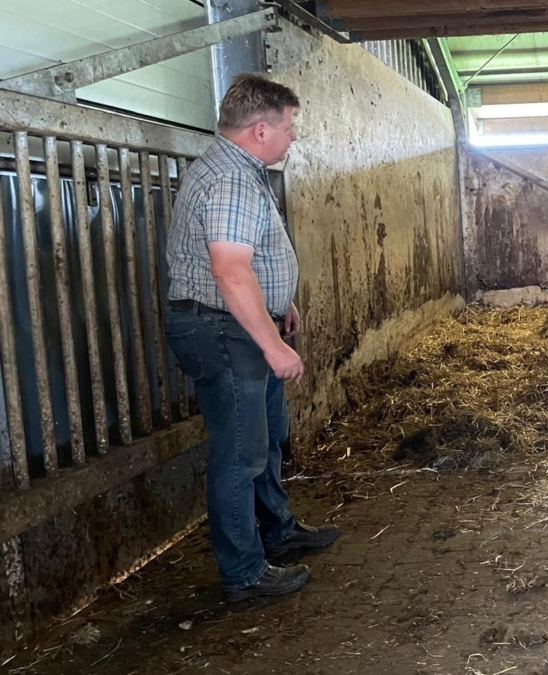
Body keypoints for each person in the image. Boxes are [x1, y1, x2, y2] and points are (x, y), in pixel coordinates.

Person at [165, 73, 338, 602]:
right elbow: (229, 269)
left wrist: (279, 303)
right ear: (261, 130)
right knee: (241, 453)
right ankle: (243, 572)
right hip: (223, 329)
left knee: (264, 438)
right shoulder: (231, 180)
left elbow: (247, 257)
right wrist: (271, 343)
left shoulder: (239, 170)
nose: (293, 136)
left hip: (239, 322)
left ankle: (276, 532)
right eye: (289, 126)